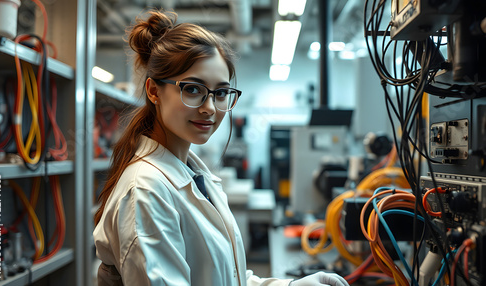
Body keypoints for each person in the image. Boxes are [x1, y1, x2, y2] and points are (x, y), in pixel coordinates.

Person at [93, 9, 349, 286]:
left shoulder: (195, 176)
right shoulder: (146, 192)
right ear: (154, 91)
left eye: (221, 92)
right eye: (192, 89)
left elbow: (227, 278)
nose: (209, 108)